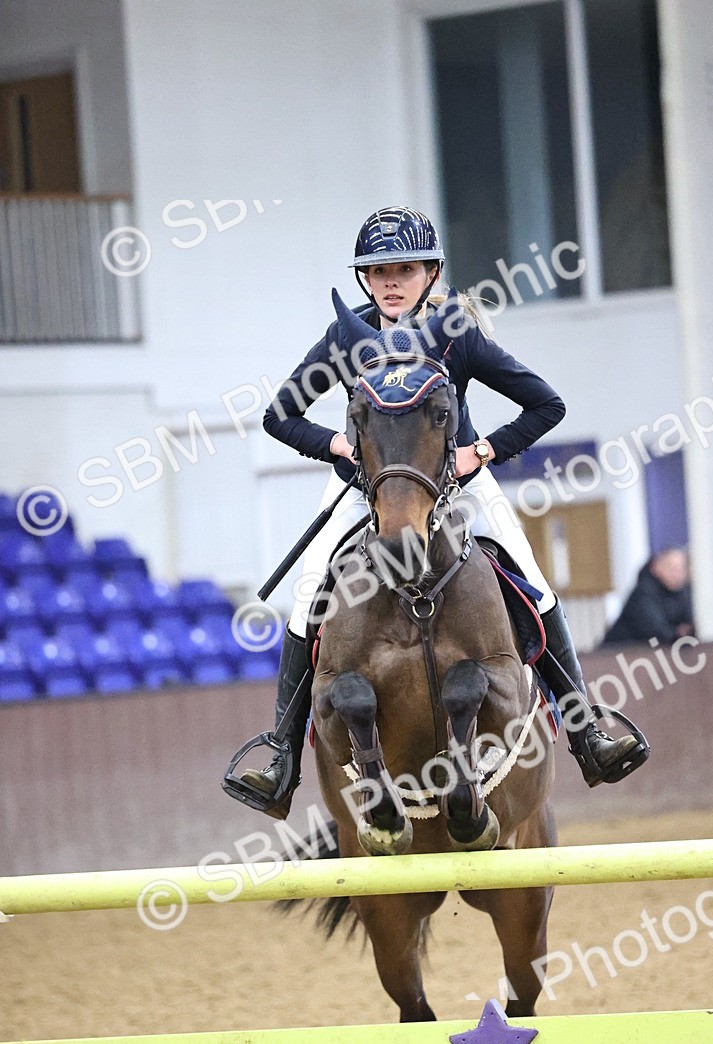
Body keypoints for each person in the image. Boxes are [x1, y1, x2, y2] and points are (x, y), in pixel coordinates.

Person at [239, 206, 644, 817]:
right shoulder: (345, 339)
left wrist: (480, 452)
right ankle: (282, 756)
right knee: (306, 595)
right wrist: (338, 446)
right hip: (366, 485)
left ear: (430, 272)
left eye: (403, 269)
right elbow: (280, 415)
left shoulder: (456, 333)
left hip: (455, 484)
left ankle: (585, 725)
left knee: (532, 578)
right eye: (377, 273)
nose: (390, 282)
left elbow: (545, 404)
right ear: (364, 282)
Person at [602, 547, 693, 646]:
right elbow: (657, 632)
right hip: (618, 655)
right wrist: (678, 633)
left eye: (681, 569)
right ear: (656, 567)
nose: (677, 574)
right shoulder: (643, 593)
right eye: (671, 568)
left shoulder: (684, 592)